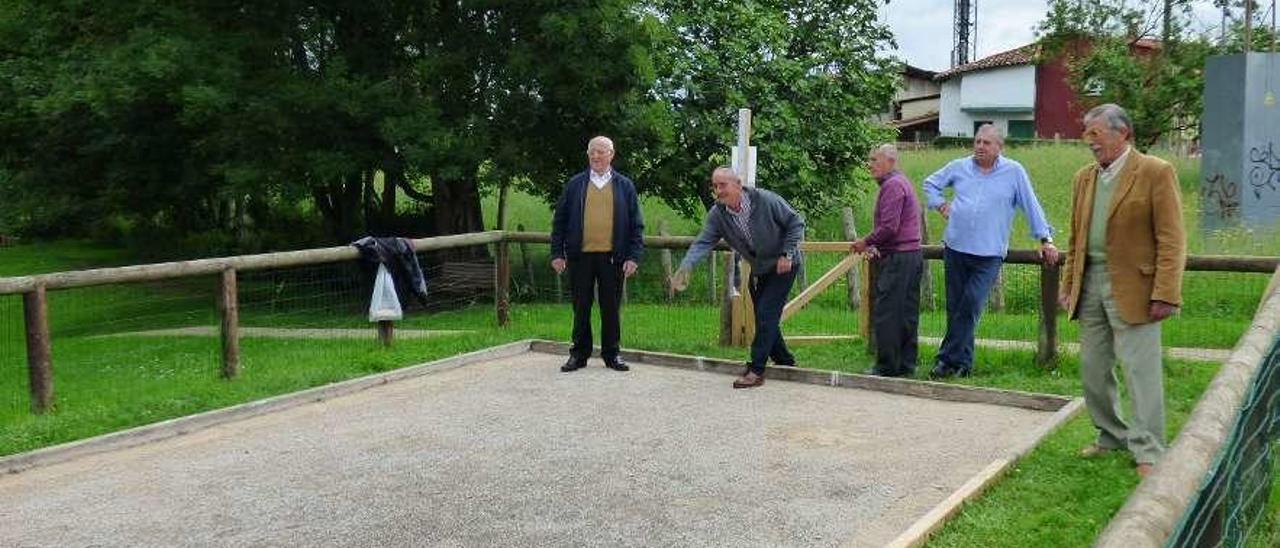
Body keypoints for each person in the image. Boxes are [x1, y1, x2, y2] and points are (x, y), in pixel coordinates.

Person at [1058, 104, 1185, 477]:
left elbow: (1172, 239)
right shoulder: (1084, 178)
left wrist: (1166, 292)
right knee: (1093, 367)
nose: (1090, 142)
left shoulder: (1155, 172)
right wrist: (1069, 283)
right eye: (1087, 134)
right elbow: (1074, 236)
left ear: (1123, 133)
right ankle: (1111, 434)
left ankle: (1148, 449)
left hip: (1138, 286)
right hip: (1091, 282)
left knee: (1139, 370)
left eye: (1096, 134)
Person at [923, 124, 1058, 379]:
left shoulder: (1013, 172)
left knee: (971, 303)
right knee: (956, 307)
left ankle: (945, 360)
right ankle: (962, 364)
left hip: (989, 254)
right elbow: (930, 184)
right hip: (956, 248)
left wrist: (1045, 238)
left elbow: (1031, 205)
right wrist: (940, 204)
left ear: (999, 147)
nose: (980, 147)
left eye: (986, 143)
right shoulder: (958, 167)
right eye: (977, 142)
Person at [670, 167, 805, 389]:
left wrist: (787, 253)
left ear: (738, 185)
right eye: (715, 186)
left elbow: (796, 223)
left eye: (723, 185)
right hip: (760, 267)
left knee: (765, 313)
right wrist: (685, 267)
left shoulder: (766, 200)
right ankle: (785, 361)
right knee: (765, 315)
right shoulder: (718, 214)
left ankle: (756, 370)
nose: (718, 190)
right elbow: (703, 241)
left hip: (784, 264)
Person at [550, 136, 645, 372]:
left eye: (601, 152)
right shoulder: (575, 185)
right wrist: (557, 253)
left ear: (611, 154)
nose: (596, 156)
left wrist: (633, 256)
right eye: (592, 152)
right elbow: (559, 221)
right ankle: (579, 354)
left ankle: (612, 354)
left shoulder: (625, 186)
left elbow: (636, 224)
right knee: (580, 306)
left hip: (613, 258)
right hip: (580, 257)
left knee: (610, 307)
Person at [852, 144, 923, 377]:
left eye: (875, 160)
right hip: (911, 255)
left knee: (887, 312)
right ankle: (906, 364)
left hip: (899, 256)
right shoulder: (901, 182)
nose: (870, 165)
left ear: (890, 161)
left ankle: (886, 365)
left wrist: (866, 242)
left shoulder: (892, 186)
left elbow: (889, 228)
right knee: (906, 312)